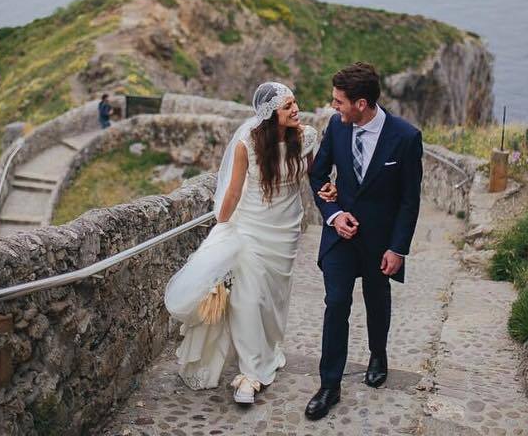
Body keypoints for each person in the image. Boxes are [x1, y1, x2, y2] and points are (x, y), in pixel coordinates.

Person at [165, 82, 319, 404]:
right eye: (287, 105)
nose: (296, 109)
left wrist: (329, 191)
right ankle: (251, 372)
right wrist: (221, 228)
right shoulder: (247, 143)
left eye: (295, 103)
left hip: (286, 230)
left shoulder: (307, 138)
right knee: (246, 299)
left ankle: (270, 349)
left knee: (273, 300)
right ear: (270, 114)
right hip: (250, 228)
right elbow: (233, 191)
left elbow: (314, 177)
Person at [304, 62, 423, 420]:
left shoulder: (405, 137)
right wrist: (334, 214)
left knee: (376, 300)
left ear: (361, 103)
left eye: (338, 101)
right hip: (339, 236)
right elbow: (318, 174)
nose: (333, 106)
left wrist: (398, 248)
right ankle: (329, 386)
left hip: (381, 242)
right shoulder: (337, 129)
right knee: (336, 302)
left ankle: (378, 354)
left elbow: (409, 200)